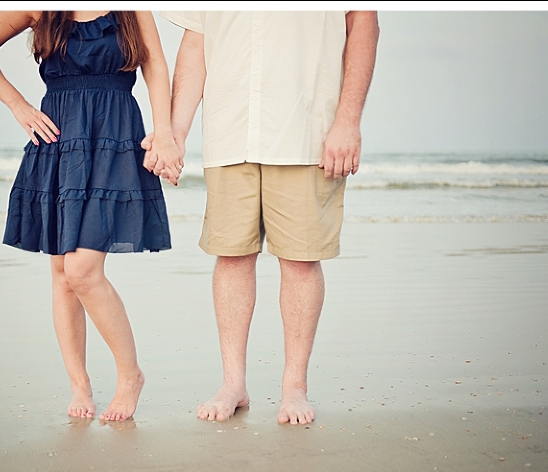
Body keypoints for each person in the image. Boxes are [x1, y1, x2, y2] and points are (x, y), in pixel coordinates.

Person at [146, 11, 379, 425]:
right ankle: (233, 383)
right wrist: (175, 131)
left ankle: (294, 387)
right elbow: (197, 41)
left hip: (306, 130)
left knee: (301, 259)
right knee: (231, 255)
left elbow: (363, 23)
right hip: (228, 130)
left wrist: (348, 121)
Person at [0, 11, 183, 421]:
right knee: (63, 273)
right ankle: (79, 385)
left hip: (114, 132)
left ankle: (129, 375)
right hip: (60, 136)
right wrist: (18, 105)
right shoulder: (41, 6)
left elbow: (154, 63)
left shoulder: (131, 7)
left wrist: (165, 132)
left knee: (82, 270)